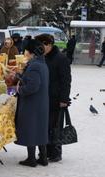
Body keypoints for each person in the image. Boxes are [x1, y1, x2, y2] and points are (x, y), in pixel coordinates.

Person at [35, 34, 71, 162]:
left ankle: (55, 153)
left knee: (55, 127)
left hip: (55, 99)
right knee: (43, 126)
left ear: (48, 44)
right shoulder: (40, 57)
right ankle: (44, 152)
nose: (38, 48)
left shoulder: (61, 58)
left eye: (40, 45)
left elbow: (66, 81)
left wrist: (64, 99)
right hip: (42, 98)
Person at [14, 39, 49, 167]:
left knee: (31, 129)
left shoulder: (35, 65)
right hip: (40, 103)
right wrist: (20, 76)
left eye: (26, 50)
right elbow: (32, 80)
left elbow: (33, 86)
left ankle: (31, 159)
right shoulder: (41, 64)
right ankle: (43, 158)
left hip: (32, 104)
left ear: (30, 52)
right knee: (39, 129)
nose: (24, 53)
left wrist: (19, 89)